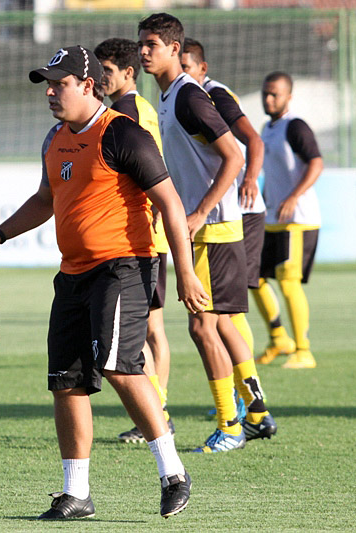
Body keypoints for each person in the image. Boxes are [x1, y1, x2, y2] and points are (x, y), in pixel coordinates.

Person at [0, 45, 207, 519]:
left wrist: (184, 270)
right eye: (48, 85)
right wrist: (0, 233)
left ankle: (174, 473)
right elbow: (45, 198)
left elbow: (169, 203)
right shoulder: (54, 139)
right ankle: (76, 493)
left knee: (121, 367)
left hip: (124, 267)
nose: (51, 94)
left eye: (59, 84)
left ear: (87, 86)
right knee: (66, 382)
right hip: (73, 273)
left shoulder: (122, 133)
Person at [138, 13, 277, 452]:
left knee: (202, 327)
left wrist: (198, 212)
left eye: (152, 44)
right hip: (207, 227)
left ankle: (230, 426)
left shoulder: (188, 98)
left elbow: (234, 155)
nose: (144, 51)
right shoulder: (168, 97)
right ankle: (255, 413)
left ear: (175, 49)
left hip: (214, 229)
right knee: (224, 324)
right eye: (141, 43)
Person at [180, 37, 266, 425]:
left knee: (217, 318)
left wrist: (250, 179)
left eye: (187, 66)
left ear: (202, 67)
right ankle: (252, 403)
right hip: (220, 212)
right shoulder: (183, 95)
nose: (182, 73)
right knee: (224, 317)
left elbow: (250, 142)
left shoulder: (211, 95)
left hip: (232, 214)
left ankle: (239, 410)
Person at [93, 37, 175, 444]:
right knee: (149, 328)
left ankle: (156, 411)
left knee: (146, 329)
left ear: (128, 73)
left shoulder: (125, 112)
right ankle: (156, 410)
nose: (100, 78)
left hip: (141, 236)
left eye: (106, 71)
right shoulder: (141, 107)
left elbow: (147, 170)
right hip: (149, 234)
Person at [255, 71, 323, 369]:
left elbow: (317, 163)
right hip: (272, 218)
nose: (269, 99)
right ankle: (279, 338)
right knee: (253, 277)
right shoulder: (266, 128)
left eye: (275, 94)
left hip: (298, 219)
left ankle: (304, 350)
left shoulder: (295, 127)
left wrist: (294, 196)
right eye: (266, 94)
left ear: (289, 96)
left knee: (288, 282)